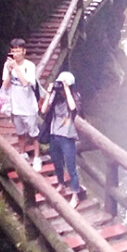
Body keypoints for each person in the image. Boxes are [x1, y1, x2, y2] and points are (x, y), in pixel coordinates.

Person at [40, 71, 82, 208]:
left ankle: (76, 194)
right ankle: (61, 184)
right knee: (57, 163)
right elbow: (44, 110)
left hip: (67, 137)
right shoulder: (55, 98)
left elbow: (73, 108)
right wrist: (49, 93)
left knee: (71, 167)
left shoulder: (74, 97)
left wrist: (67, 90)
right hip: (54, 135)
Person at [1, 38, 43, 171]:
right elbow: (5, 86)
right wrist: (8, 71)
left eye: (18, 51)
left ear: (24, 51)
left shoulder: (30, 66)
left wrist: (16, 69)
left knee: (34, 134)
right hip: (15, 106)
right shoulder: (7, 66)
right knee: (20, 133)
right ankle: (22, 153)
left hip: (29, 107)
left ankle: (37, 158)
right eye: (13, 51)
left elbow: (26, 83)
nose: (16, 54)